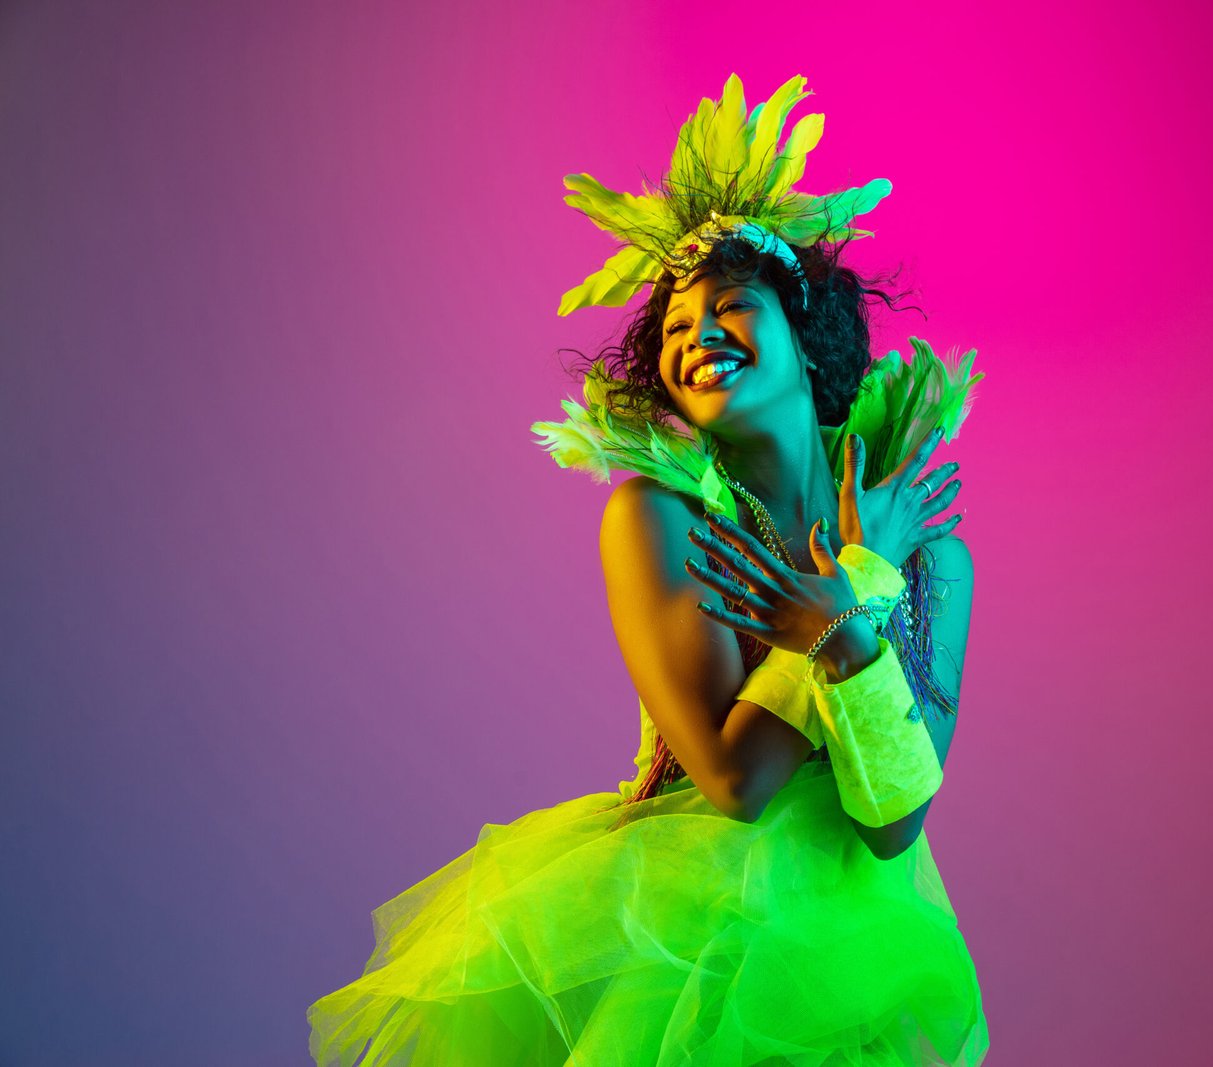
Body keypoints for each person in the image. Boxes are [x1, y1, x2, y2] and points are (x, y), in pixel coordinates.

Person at [308, 73, 989, 1065]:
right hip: (679, 947)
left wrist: (851, 611)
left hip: (859, 966)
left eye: (730, 307)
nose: (696, 336)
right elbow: (733, 779)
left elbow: (894, 822)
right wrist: (848, 589)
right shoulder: (658, 519)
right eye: (672, 329)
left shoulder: (928, 558)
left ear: (807, 342)